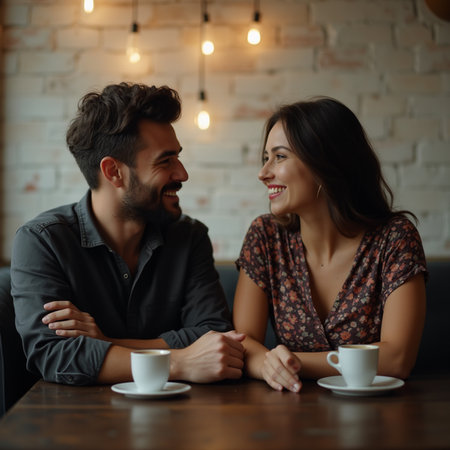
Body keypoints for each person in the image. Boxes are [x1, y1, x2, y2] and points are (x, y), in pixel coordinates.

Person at [11, 82, 245, 386]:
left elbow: (212, 334)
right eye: (165, 160)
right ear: (113, 172)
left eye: (178, 157)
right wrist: (180, 362)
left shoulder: (189, 237)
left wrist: (107, 342)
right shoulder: (42, 241)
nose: (182, 173)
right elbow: (54, 355)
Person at [233, 97, 427, 393]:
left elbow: (397, 358)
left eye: (280, 157)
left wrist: (288, 362)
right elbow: (244, 345)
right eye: (265, 158)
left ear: (324, 163)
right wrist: (267, 364)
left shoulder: (395, 238)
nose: (264, 173)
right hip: (288, 416)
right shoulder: (265, 236)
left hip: (379, 416)